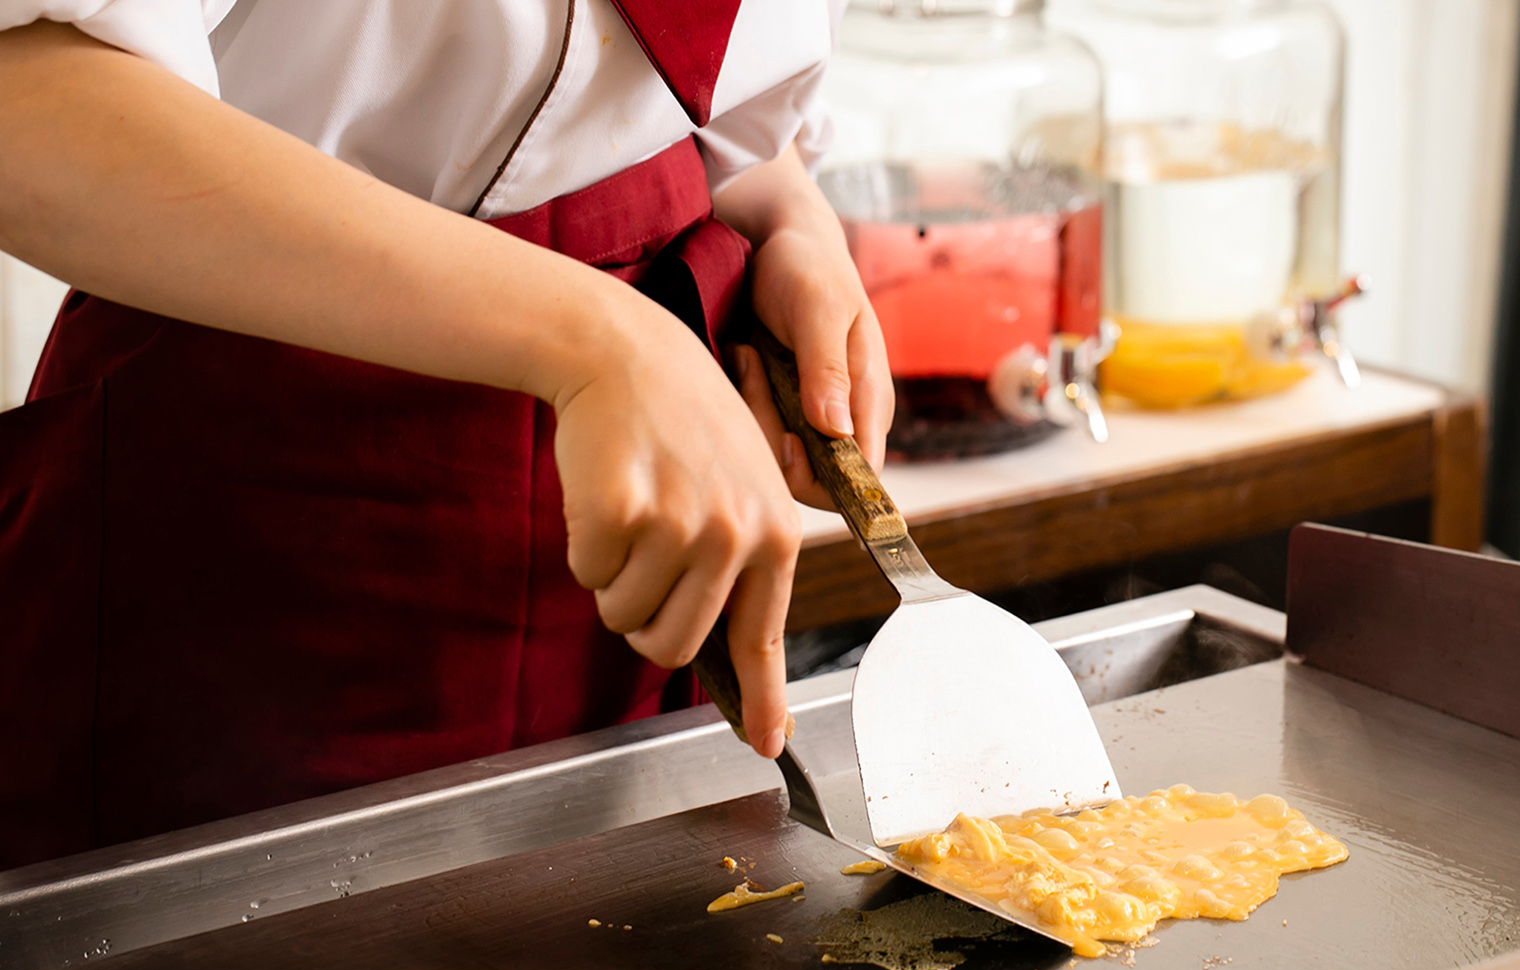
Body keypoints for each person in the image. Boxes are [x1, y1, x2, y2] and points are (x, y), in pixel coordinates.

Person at [0, 1, 891, 868]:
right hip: (257, 508)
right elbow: (23, 94)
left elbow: (627, 82)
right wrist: (596, 339)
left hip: (636, 526)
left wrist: (785, 212)